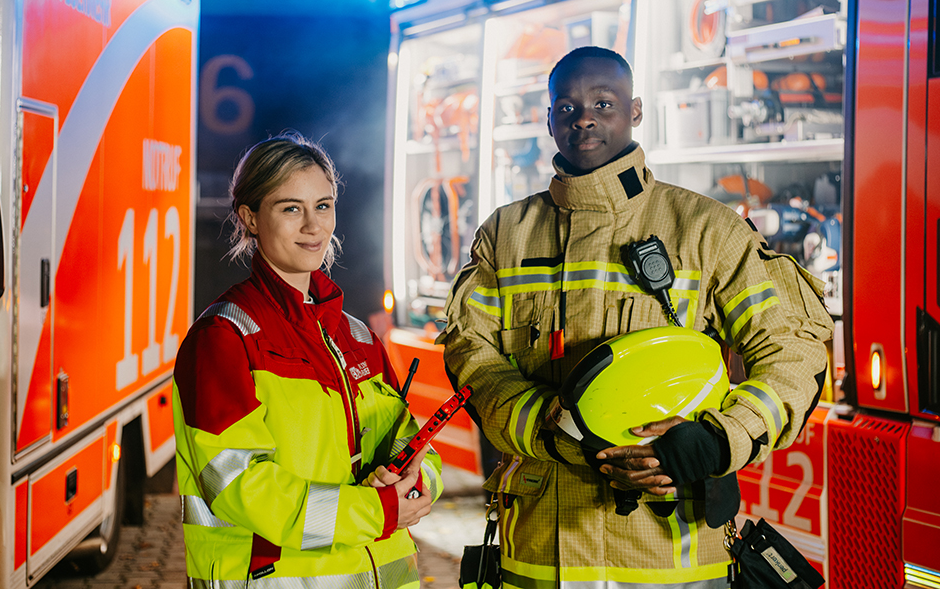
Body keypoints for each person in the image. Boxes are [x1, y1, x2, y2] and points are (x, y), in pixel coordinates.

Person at [438, 47, 832, 588]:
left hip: (674, 560)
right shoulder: (505, 234)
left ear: (636, 110)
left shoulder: (706, 229)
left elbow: (796, 348)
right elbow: (471, 354)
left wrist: (717, 440)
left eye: (603, 102)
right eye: (567, 107)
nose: (585, 118)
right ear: (549, 118)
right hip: (537, 553)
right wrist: (546, 425)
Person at [172, 131, 442, 588]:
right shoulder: (223, 339)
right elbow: (241, 486)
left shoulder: (357, 337)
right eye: (290, 208)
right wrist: (378, 510)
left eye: (323, 205)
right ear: (250, 218)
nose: (313, 226)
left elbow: (417, 446)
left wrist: (418, 483)